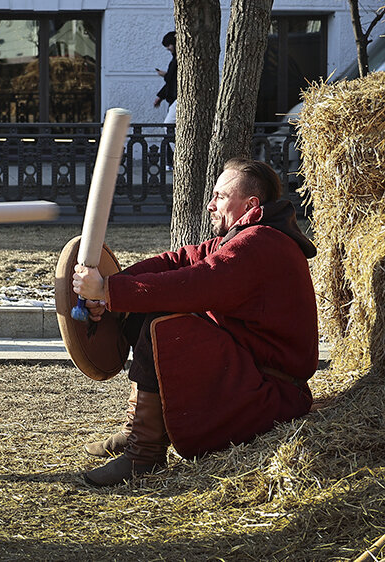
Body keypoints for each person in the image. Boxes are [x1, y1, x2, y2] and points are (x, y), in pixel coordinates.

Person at [72, 157, 318, 486]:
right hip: (249, 376)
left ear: (250, 204)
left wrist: (108, 289)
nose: (210, 205)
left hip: (269, 396)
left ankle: (144, 453)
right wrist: (109, 290)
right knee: (144, 307)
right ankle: (138, 429)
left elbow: (197, 283)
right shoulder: (245, 238)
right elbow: (180, 260)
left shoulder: (261, 243)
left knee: (164, 320)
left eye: (219, 196)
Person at [154, 31, 177, 170]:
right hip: (174, 98)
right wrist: (160, 96)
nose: (168, 49)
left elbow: (171, 80)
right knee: (171, 127)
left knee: (169, 125)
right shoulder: (176, 58)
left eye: (169, 46)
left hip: (177, 98)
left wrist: (165, 74)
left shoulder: (177, 59)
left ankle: (176, 156)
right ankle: (172, 159)